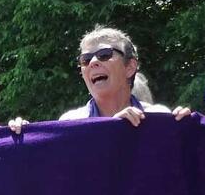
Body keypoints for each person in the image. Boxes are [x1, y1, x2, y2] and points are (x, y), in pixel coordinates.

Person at [58, 26, 191, 125]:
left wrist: (186, 130)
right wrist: (113, 128)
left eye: (104, 54)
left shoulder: (159, 116)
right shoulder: (70, 124)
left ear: (130, 67)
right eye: (85, 59)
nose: (93, 62)